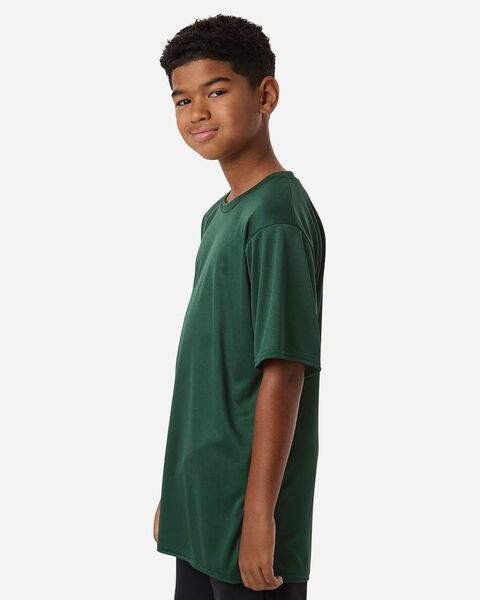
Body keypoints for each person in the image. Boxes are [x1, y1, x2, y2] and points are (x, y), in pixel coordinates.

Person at [152, 14, 326, 599]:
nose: (197, 112)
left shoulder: (275, 217)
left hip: (248, 512)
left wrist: (259, 516)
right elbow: (208, 371)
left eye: (217, 91)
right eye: (182, 99)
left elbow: (284, 369)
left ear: (266, 95)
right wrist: (179, 492)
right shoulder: (219, 216)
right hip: (202, 498)